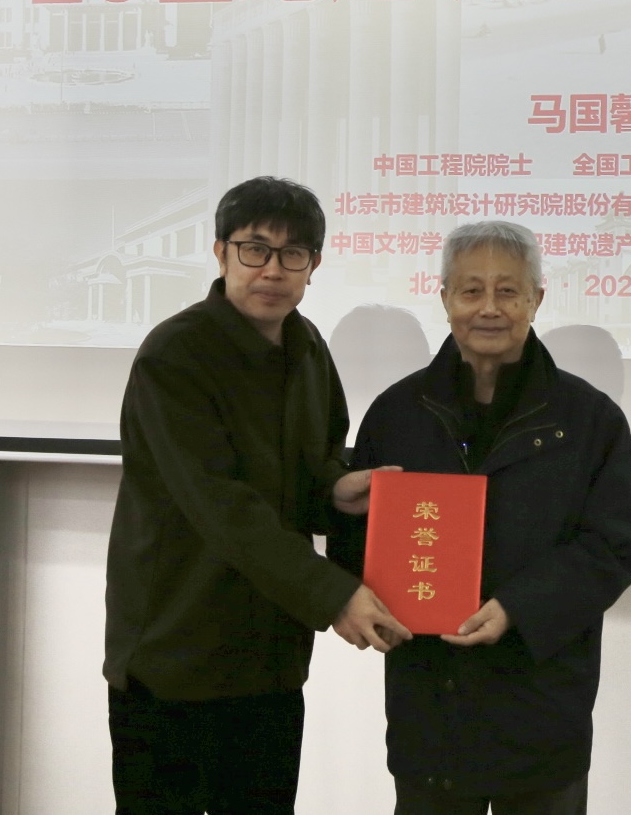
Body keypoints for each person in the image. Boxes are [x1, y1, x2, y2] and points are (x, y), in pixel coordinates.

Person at [104, 175, 409, 815]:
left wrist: (338, 489)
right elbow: (222, 506)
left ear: (314, 265)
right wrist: (335, 595)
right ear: (221, 252)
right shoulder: (175, 353)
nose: (272, 269)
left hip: (268, 657)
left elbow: (311, 465)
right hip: (175, 654)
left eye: (292, 253)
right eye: (254, 249)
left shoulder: (308, 346)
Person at [333, 220, 631, 814]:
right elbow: (359, 537)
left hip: (541, 704)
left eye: (508, 291)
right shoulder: (397, 413)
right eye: (471, 290)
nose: (489, 308)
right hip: (430, 708)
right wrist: (356, 596)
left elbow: (612, 548)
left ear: (537, 299)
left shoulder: (590, 419)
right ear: (444, 297)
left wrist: (518, 608)